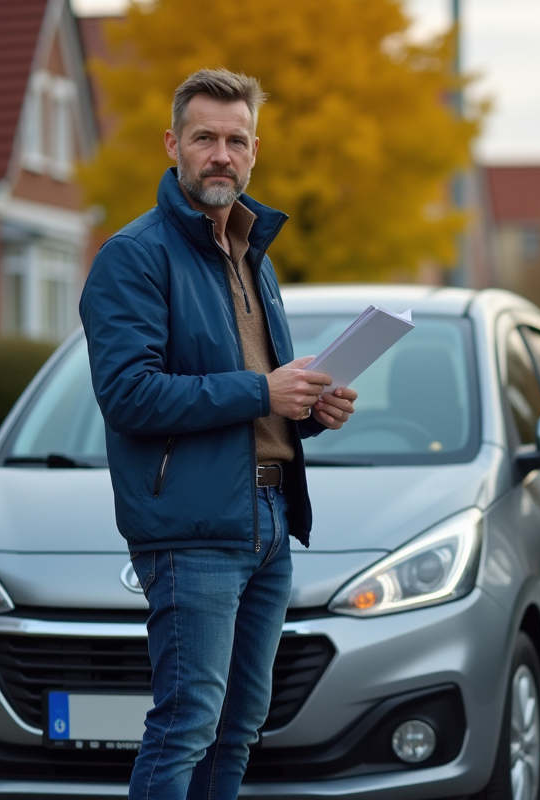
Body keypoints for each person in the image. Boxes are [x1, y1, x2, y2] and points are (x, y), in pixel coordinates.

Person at [78, 68, 357, 800]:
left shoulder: (251, 256)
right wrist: (263, 389)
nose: (221, 155)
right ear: (174, 144)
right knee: (185, 728)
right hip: (193, 529)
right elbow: (129, 395)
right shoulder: (133, 257)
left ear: (254, 151)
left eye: (236, 140)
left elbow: (251, 404)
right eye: (205, 138)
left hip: (266, 520)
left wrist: (307, 409)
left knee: (237, 732)